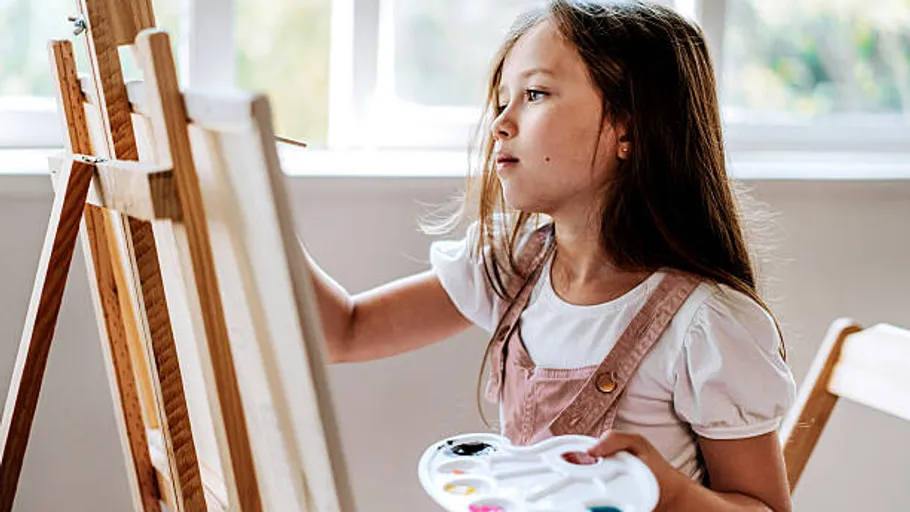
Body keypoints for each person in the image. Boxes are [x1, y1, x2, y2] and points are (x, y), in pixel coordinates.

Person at [305, 1, 796, 510]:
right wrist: (246, 189)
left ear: (629, 127)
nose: (500, 123)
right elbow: (341, 332)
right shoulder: (510, 268)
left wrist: (671, 494)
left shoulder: (705, 326)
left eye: (534, 94)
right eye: (501, 101)